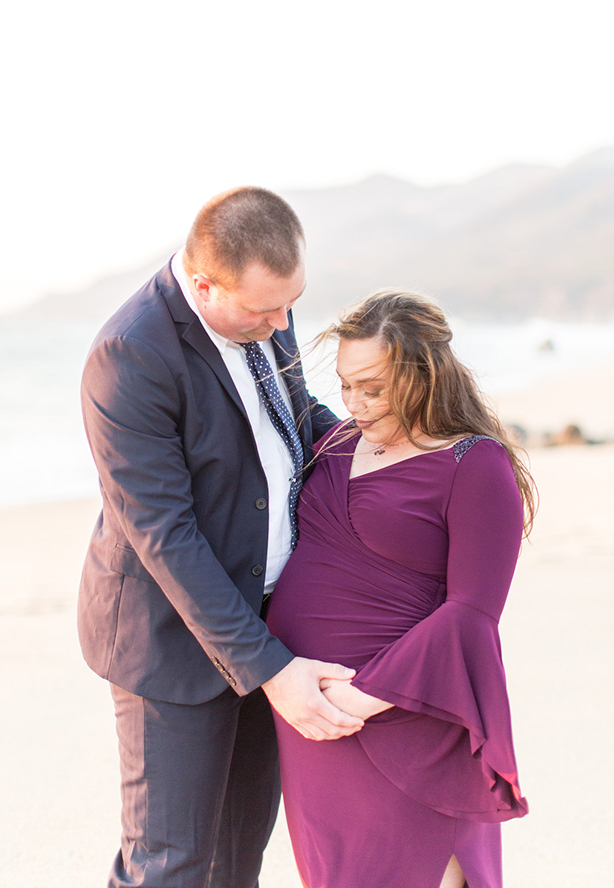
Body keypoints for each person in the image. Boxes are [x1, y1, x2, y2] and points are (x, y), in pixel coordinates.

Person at [78, 187, 365, 888]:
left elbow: (296, 418)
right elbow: (164, 535)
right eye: (263, 310)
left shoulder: (265, 310)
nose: (279, 323)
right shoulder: (129, 356)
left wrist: (390, 448)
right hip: (168, 643)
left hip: (272, 620)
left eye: (289, 305)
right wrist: (271, 668)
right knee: (171, 866)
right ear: (202, 284)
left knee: (239, 862)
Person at [266, 290, 536, 888]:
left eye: (374, 387)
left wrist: (359, 698)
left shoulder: (475, 464)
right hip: (311, 716)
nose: (356, 404)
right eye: (345, 385)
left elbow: (471, 615)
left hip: (400, 716)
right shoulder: (336, 444)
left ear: (425, 375)